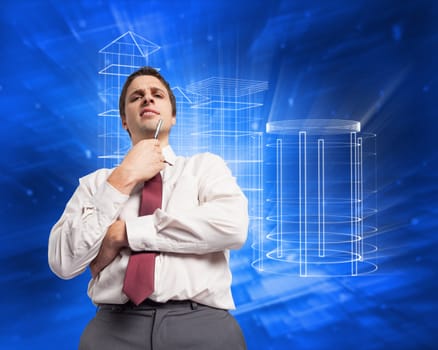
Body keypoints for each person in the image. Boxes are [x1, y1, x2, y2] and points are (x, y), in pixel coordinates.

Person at [48, 66, 249, 349]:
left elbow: (232, 227)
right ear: (124, 121)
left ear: (174, 116)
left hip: (203, 328)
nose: (147, 99)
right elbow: (63, 262)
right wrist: (122, 178)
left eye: (157, 95)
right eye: (136, 97)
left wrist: (123, 234)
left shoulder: (205, 168)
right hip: (112, 331)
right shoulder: (95, 185)